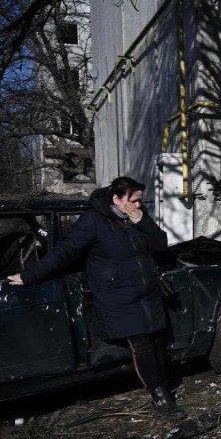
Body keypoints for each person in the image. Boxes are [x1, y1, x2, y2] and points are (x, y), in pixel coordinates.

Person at [7, 177, 186, 420]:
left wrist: (142, 221)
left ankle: (162, 386)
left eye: (140, 201)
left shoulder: (137, 217)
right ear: (116, 199)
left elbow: (160, 244)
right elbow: (65, 251)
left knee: (156, 342)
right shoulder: (93, 221)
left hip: (146, 294)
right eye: (133, 200)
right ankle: (161, 400)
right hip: (118, 297)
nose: (138, 205)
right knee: (142, 343)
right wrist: (29, 276)